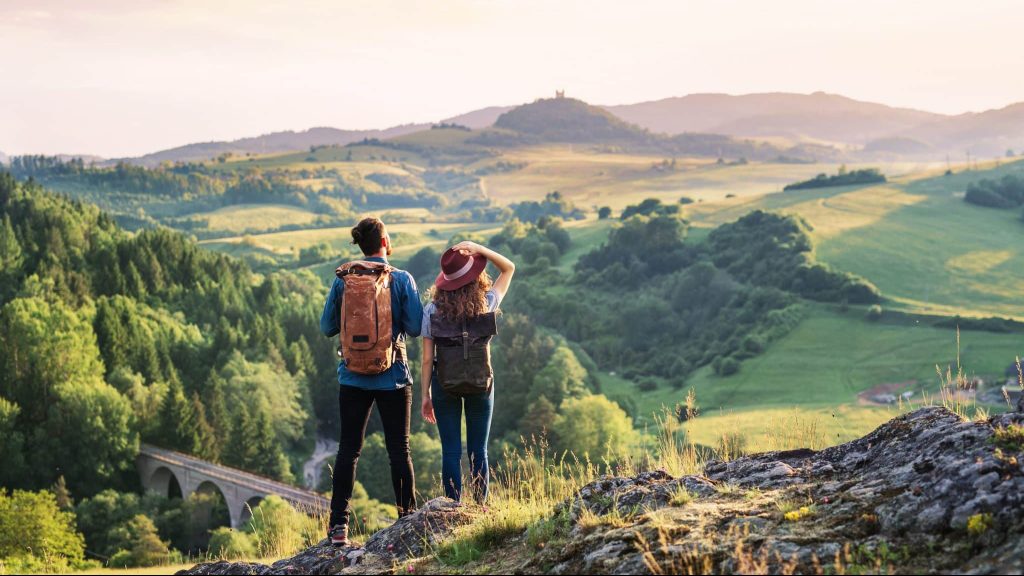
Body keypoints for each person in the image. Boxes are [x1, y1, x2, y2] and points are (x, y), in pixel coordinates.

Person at [319, 217, 423, 546]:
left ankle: (338, 528)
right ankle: (407, 520)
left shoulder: (343, 280)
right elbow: (417, 327)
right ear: (385, 241)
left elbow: (326, 327)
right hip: (392, 375)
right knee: (399, 450)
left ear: (360, 245)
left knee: (348, 451)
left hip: (352, 376)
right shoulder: (401, 279)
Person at [420, 241, 515, 503]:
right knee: (478, 450)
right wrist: (480, 249)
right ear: (475, 278)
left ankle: (452, 506)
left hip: (444, 384)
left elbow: (428, 360)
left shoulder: (432, 310)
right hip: (480, 384)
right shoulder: (487, 302)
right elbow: (508, 268)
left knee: (450, 451)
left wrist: (425, 396)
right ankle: (481, 505)